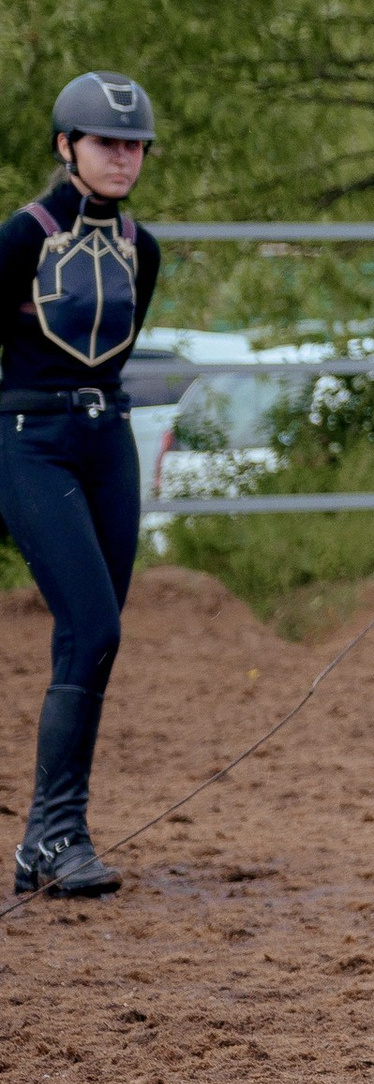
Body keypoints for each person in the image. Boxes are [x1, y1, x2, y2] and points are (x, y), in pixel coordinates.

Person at [4, 74, 163, 897]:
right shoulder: (20, 238)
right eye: (107, 142)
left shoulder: (144, 246)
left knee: (95, 637)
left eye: (134, 145)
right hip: (32, 442)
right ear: (67, 147)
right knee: (92, 623)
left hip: (109, 442)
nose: (123, 157)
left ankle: (50, 840)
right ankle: (55, 830)